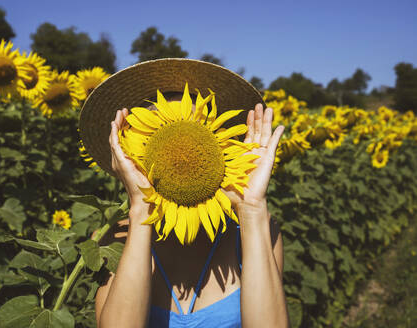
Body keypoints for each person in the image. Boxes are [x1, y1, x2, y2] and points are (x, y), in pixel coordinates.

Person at [79, 59, 289, 328]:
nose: (183, 147)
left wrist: (252, 210)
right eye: (163, 129)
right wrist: (142, 208)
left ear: (222, 143)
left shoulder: (260, 232)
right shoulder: (116, 239)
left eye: (198, 129)